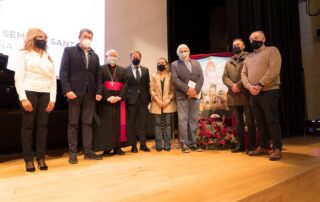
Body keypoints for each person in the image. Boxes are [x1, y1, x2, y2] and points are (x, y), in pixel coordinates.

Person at [15, 28, 56, 172]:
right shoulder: (24, 54)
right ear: (32, 38)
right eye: (39, 37)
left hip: (45, 93)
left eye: (44, 37)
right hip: (29, 91)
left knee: (42, 127)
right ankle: (28, 159)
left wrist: (53, 98)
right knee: (28, 127)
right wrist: (23, 98)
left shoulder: (48, 57)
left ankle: (40, 157)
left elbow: (52, 79)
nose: (43, 39)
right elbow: (18, 77)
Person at [59, 28, 103, 164]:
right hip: (74, 93)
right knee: (73, 123)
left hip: (90, 94)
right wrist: (67, 90)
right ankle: (72, 154)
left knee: (88, 123)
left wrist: (99, 91)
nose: (87, 39)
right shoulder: (69, 51)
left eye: (90, 37)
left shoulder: (95, 55)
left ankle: (88, 152)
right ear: (79, 37)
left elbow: (98, 76)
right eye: (85, 36)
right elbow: (63, 72)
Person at [241, 30, 283, 161]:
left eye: (257, 38)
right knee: (259, 121)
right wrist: (249, 86)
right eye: (252, 39)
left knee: (271, 120)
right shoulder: (248, 57)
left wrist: (260, 84)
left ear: (264, 39)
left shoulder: (272, 51)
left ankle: (276, 148)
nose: (254, 40)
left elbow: (274, 69)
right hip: (253, 92)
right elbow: (243, 74)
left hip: (269, 90)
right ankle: (263, 146)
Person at [222, 38, 256, 153]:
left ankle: (252, 145)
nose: (236, 46)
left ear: (243, 46)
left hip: (246, 94)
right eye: (234, 44)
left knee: (250, 121)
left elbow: (250, 73)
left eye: (238, 44)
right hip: (234, 96)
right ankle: (240, 145)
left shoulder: (249, 57)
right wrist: (232, 86)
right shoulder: (228, 61)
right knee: (238, 122)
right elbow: (224, 77)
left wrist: (239, 85)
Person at [93, 49, 128, 156]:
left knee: (118, 125)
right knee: (106, 125)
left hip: (118, 101)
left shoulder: (122, 70)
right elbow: (99, 84)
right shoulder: (101, 69)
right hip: (105, 101)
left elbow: (126, 85)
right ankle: (106, 148)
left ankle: (118, 148)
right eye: (110, 55)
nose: (112, 57)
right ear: (106, 56)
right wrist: (108, 97)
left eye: (114, 55)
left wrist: (119, 97)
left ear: (117, 57)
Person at [171, 44, 204, 153]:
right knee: (183, 121)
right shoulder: (174, 64)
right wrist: (187, 90)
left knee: (193, 120)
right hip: (182, 97)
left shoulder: (196, 63)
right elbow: (175, 79)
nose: (183, 53)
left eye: (185, 51)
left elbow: (201, 78)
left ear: (189, 52)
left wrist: (196, 90)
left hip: (195, 96)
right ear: (178, 53)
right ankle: (184, 144)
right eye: (181, 51)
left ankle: (193, 143)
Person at [125, 50, 151, 153]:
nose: (136, 59)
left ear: (140, 58)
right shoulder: (125, 70)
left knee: (143, 124)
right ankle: (133, 146)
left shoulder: (145, 70)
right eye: (134, 57)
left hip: (143, 101)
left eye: (138, 57)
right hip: (131, 101)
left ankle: (143, 145)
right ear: (130, 58)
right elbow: (125, 86)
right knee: (132, 124)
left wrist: (149, 100)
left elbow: (147, 85)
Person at [150, 58, 176, 151]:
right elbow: (151, 90)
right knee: (157, 124)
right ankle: (159, 145)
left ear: (166, 65)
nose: (160, 64)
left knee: (168, 124)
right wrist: (158, 100)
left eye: (162, 63)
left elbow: (173, 90)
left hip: (168, 103)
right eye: (159, 63)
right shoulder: (153, 75)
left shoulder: (171, 76)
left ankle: (168, 145)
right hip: (157, 103)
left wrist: (168, 100)